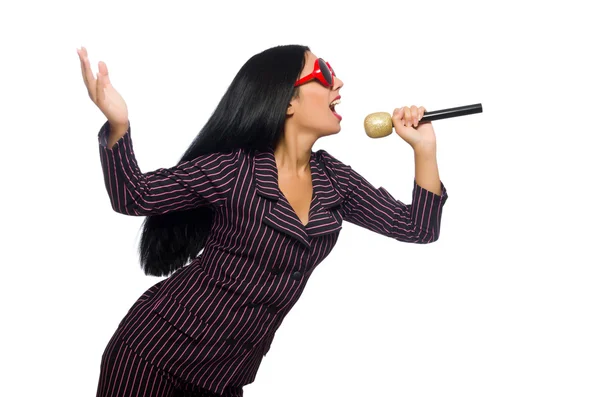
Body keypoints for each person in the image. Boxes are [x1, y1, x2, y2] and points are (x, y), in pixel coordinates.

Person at [77, 44, 448, 397]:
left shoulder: (337, 182)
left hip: (223, 376)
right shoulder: (234, 170)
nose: (338, 83)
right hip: (153, 352)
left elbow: (418, 227)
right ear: (287, 99)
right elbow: (134, 195)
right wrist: (119, 124)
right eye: (324, 73)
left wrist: (424, 148)